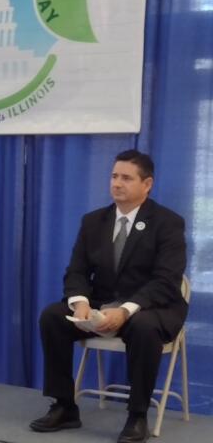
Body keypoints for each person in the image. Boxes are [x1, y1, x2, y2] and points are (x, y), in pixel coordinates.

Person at [29, 150, 187, 443]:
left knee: (143, 327)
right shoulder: (93, 221)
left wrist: (125, 311)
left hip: (152, 307)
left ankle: (137, 415)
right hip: (101, 305)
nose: (117, 183)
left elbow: (165, 281)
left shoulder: (168, 223)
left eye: (126, 178)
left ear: (147, 184)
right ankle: (64, 406)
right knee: (52, 316)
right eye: (114, 176)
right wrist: (81, 302)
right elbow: (75, 271)